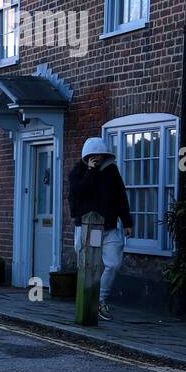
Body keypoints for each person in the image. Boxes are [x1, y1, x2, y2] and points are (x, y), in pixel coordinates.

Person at [68, 136, 134, 320]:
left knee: (113, 264)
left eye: (102, 154)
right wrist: (91, 171)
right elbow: (79, 193)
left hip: (110, 226)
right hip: (90, 229)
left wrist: (127, 222)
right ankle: (89, 301)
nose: (99, 157)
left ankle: (100, 300)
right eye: (95, 154)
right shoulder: (77, 172)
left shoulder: (112, 171)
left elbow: (121, 196)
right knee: (89, 263)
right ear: (88, 155)